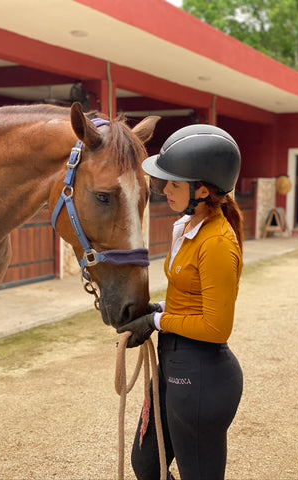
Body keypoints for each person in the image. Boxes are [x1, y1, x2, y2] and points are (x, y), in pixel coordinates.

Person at [117, 124, 244, 480]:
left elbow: (217, 328)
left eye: (173, 183)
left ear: (202, 189)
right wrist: (159, 309)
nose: (163, 189)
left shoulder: (217, 243)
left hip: (202, 376)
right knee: (147, 463)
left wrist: (158, 321)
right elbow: (189, 298)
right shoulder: (186, 227)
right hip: (174, 362)